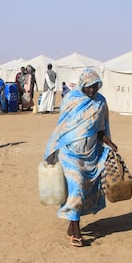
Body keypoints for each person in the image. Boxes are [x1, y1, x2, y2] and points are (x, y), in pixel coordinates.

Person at [44, 68, 118, 247]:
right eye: (89, 87)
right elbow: (63, 125)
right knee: (76, 188)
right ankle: (77, 233)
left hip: (91, 156)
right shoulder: (71, 99)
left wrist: (110, 143)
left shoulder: (100, 102)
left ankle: (71, 225)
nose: (92, 91)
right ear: (82, 85)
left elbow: (100, 129)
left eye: (95, 87)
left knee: (84, 191)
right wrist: (53, 149)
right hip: (70, 154)